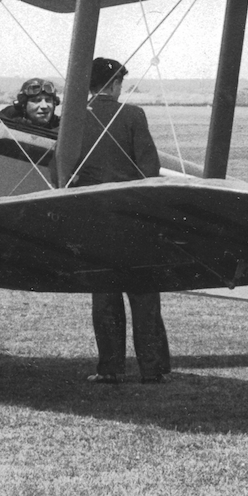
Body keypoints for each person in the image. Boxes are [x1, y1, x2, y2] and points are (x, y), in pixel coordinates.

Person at [69, 57, 170, 384]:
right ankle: (153, 370)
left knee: (105, 299)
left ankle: (110, 369)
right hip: (132, 218)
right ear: (114, 83)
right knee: (144, 298)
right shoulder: (132, 115)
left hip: (94, 220)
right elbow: (149, 170)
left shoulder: (72, 118)